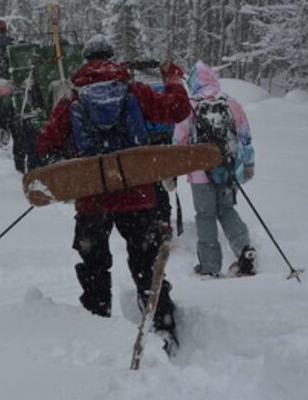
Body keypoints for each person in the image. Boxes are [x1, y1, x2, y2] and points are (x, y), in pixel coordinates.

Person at [34, 34, 191, 354]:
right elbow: (177, 110)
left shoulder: (72, 100)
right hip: (137, 195)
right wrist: (172, 80)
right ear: (112, 58)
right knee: (146, 265)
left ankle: (97, 327)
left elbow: (44, 143)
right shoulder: (134, 90)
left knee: (94, 269)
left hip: (93, 197)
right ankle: (162, 327)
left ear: (86, 62)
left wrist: (67, 150)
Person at [173, 61, 257, 277]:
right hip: (227, 169)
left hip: (201, 173)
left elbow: (179, 140)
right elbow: (245, 135)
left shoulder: (190, 105)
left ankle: (210, 267)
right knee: (226, 209)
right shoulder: (231, 102)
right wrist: (248, 163)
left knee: (205, 215)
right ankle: (245, 250)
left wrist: (173, 170)